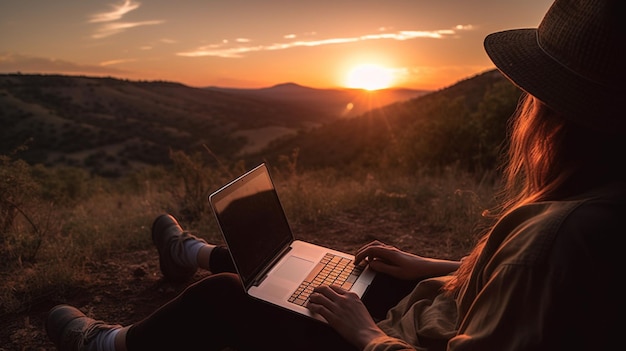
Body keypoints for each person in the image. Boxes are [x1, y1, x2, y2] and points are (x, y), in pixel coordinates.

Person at [46, 0, 625, 350]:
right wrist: (430, 266)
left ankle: (109, 345)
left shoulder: (560, 235)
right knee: (323, 265)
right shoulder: (596, 203)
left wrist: (365, 335)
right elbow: (520, 285)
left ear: (557, 113)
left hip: (390, 342)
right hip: (434, 311)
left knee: (228, 299)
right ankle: (191, 255)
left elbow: (530, 275)